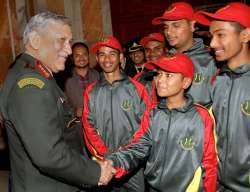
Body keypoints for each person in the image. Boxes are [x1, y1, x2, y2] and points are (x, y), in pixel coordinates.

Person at [0, 11, 115, 192]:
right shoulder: (30, 86)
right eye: (62, 40)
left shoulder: (40, 75)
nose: (69, 50)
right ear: (36, 41)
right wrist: (95, 172)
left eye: (69, 42)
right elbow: (48, 154)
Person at [107, 53, 217, 192]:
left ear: (186, 82)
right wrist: (113, 163)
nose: (160, 80)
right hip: (154, 188)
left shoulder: (200, 117)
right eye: (159, 74)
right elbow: (138, 148)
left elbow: (209, 163)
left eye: (168, 75)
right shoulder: (153, 113)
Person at [82, 36, 151, 192]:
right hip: (104, 164)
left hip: (132, 165)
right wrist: (107, 155)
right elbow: (88, 128)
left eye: (112, 54)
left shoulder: (137, 89)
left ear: (120, 57)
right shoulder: (91, 92)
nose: (107, 59)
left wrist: (125, 155)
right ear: (97, 58)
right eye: (102, 54)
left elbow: (145, 128)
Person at [196, 3, 250, 191]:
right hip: (219, 184)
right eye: (211, 36)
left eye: (221, 35)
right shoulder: (217, 82)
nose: (212, 44)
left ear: (245, 35)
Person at [152, 2, 217, 107]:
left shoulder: (212, 61)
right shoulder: (162, 62)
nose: (168, 32)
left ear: (192, 26)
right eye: (166, 27)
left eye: (176, 25)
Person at [65, 42, 99, 118]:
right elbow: (62, 107)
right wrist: (75, 112)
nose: (81, 58)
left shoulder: (98, 76)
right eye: (77, 55)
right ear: (72, 58)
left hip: (99, 124)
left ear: (88, 56)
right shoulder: (65, 80)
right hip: (78, 126)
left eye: (84, 54)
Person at [133, 32, 167, 105]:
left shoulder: (175, 76)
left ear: (166, 50)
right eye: (147, 50)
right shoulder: (138, 78)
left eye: (157, 49)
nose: (151, 53)